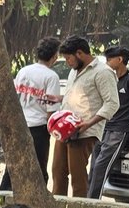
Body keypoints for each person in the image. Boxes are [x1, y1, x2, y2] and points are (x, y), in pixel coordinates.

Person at [51, 36, 119, 197]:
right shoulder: (73, 72)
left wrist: (88, 123)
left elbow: (112, 103)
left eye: (69, 58)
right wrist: (58, 99)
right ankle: (58, 207)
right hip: (64, 129)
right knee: (57, 171)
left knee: (78, 175)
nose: (67, 62)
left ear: (80, 53)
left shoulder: (103, 72)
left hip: (84, 132)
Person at [86, 46, 129, 198]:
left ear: (120, 60)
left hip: (119, 130)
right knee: (94, 165)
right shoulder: (110, 79)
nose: (107, 62)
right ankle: (87, 200)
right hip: (104, 128)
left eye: (109, 59)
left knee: (102, 166)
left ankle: (93, 202)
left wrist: (128, 125)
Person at [4, 36, 63, 188]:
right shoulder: (51, 77)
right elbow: (51, 110)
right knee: (38, 167)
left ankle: (3, 194)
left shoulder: (24, 71)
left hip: (19, 124)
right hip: (39, 127)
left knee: (14, 165)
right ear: (55, 56)